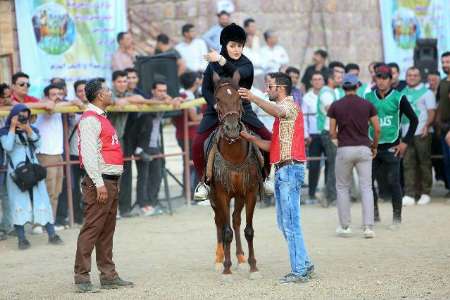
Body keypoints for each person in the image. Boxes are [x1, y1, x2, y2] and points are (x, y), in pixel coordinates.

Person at [238, 72, 313, 284]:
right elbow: (274, 147)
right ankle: (304, 264)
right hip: (284, 170)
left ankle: (299, 270)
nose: (267, 90)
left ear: (280, 89)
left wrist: (252, 98)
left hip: (288, 170)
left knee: (289, 223)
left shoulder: (289, 106)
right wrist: (251, 138)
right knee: (285, 222)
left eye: (269, 87)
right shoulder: (287, 112)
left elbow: (277, 110)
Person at [192, 23, 273, 201]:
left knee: (268, 137)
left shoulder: (247, 64)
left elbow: (237, 73)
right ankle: (203, 183)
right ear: (224, 45)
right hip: (217, 110)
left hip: (242, 108)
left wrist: (220, 60)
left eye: (240, 46)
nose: (237, 49)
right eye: (232, 45)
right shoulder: (212, 66)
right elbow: (205, 89)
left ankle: (266, 176)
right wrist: (213, 104)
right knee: (197, 144)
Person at [74, 78, 133, 293]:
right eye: (107, 90)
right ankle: (82, 277)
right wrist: (99, 184)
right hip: (101, 182)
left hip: (110, 180)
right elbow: (89, 156)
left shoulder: (99, 118)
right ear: (100, 95)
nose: (110, 92)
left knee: (106, 230)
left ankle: (108, 275)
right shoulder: (91, 120)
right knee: (92, 228)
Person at [0, 104, 63, 249]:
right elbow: (8, 147)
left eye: (25, 116)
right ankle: (22, 239)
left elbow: (39, 143)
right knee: (18, 203)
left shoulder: (31, 129)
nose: (23, 118)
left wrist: (28, 129)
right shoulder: (4, 132)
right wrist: (12, 128)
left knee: (42, 200)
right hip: (16, 172)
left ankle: (52, 235)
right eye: (20, 115)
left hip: (33, 171)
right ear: (13, 116)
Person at [364, 64, 418, 226]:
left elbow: (414, 120)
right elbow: (361, 121)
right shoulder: (368, 97)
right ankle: (374, 215)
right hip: (373, 148)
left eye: (384, 78)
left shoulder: (399, 97)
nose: (381, 81)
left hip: (391, 148)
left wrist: (405, 142)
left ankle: (396, 218)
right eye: (378, 78)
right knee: (368, 183)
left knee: (394, 182)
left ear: (391, 79)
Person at [328, 74, 380, 238]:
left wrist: (339, 143)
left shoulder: (336, 106)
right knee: (367, 188)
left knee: (343, 187)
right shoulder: (367, 104)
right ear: (357, 86)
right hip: (364, 147)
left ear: (343, 87)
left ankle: (345, 227)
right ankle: (368, 227)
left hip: (345, 148)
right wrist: (374, 146)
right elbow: (377, 129)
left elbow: (331, 132)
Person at [131, 81, 180, 216]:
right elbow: (137, 130)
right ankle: (143, 204)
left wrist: (172, 98)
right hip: (143, 146)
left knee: (157, 176)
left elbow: (175, 100)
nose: (162, 93)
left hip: (155, 145)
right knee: (143, 177)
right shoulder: (146, 103)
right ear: (153, 91)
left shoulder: (163, 102)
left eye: (164, 90)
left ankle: (152, 203)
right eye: (159, 90)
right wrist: (139, 150)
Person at [401, 67, 436, 206]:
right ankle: (410, 194)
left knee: (424, 163)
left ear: (420, 77)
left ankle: (425, 193)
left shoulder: (426, 93)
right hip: (406, 134)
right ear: (406, 76)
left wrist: (427, 125)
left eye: (415, 75)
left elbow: (432, 112)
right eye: (409, 75)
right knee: (408, 164)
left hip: (421, 132)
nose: (412, 77)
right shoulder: (402, 92)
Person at [316, 68, 344, 206]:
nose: (341, 80)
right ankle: (329, 195)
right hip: (329, 132)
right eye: (338, 78)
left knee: (334, 164)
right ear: (331, 79)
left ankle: (329, 194)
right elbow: (332, 110)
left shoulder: (333, 92)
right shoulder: (326, 93)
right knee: (334, 165)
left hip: (332, 131)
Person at [173, 72, 202, 199]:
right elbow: (194, 117)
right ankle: (191, 193)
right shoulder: (185, 95)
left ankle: (189, 192)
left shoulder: (185, 94)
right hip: (189, 135)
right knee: (192, 163)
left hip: (186, 134)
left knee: (190, 163)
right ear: (195, 81)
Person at [303, 71, 325, 202]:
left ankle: (328, 192)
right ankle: (311, 193)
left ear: (323, 81)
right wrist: (306, 135)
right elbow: (304, 118)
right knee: (314, 165)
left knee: (329, 163)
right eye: (315, 79)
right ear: (311, 82)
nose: (317, 81)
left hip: (327, 133)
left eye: (320, 79)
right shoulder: (307, 98)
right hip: (313, 135)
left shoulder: (328, 95)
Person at [435, 51, 450, 200]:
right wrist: (439, 125)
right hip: (444, 127)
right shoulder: (443, 82)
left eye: (448, 62)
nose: (445, 65)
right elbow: (439, 105)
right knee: (447, 160)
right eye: (443, 62)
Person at [242, 18, 263, 88]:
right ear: (246, 28)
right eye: (252, 26)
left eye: (255, 26)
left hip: (259, 71)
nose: (254, 28)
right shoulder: (241, 44)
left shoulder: (256, 39)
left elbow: (258, 56)